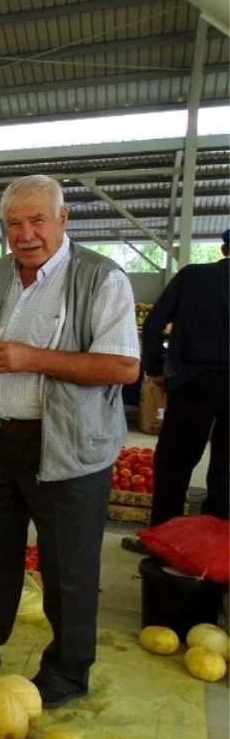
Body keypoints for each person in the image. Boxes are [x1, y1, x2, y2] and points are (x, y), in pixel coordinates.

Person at [0, 174, 139, 710]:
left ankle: (66, 674)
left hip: (68, 448)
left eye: (37, 220)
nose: (26, 233)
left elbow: (123, 366)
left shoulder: (101, 279)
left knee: (68, 568)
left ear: (63, 220)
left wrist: (33, 358)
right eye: (14, 222)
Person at [124, 228, 230, 552]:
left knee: (174, 463)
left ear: (225, 249)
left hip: (194, 383)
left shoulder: (192, 277)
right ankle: (214, 549)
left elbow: (153, 323)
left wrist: (155, 370)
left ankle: (163, 542)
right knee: (227, 469)